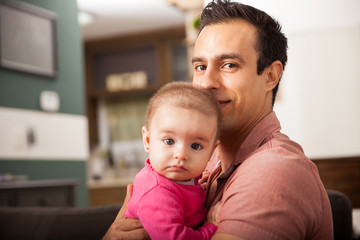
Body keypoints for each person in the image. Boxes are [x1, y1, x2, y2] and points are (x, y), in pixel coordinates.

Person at [103, 1, 333, 239]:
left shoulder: (273, 169)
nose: (206, 82)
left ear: (270, 76)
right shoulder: (206, 157)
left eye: (229, 65)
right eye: (200, 66)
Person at [124, 82, 221, 239]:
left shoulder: (186, 178)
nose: (181, 155)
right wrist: (210, 228)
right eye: (169, 141)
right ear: (147, 141)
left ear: (211, 151)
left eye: (195, 146)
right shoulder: (157, 192)